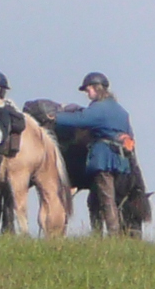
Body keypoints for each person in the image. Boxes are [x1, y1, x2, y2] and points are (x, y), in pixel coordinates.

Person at [57, 72, 139, 236]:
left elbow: (81, 119)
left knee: (106, 200)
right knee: (104, 199)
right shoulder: (121, 111)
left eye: (88, 90)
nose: (87, 94)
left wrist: (54, 117)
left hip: (104, 159)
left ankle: (113, 235)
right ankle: (102, 234)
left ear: (96, 88)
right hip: (121, 161)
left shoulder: (99, 108)